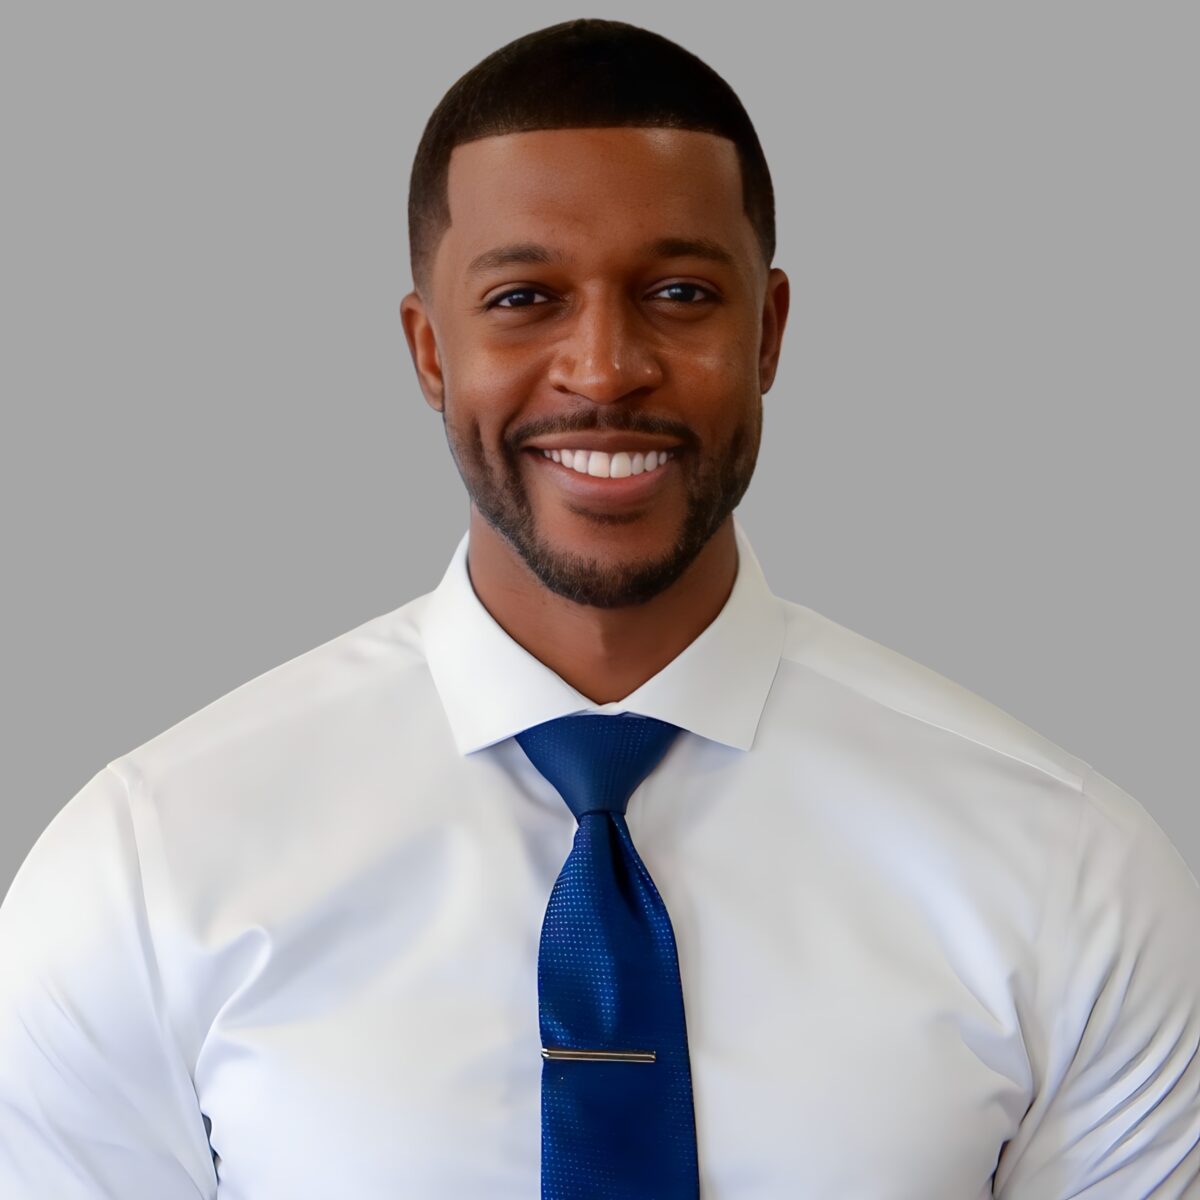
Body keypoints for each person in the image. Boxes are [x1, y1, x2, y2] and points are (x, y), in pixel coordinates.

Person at [1, 16, 1197, 1198]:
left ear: (768, 331)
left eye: (679, 291)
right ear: (429, 351)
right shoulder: (150, 870)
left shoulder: (1065, 874)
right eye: (525, 299)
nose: (605, 366)